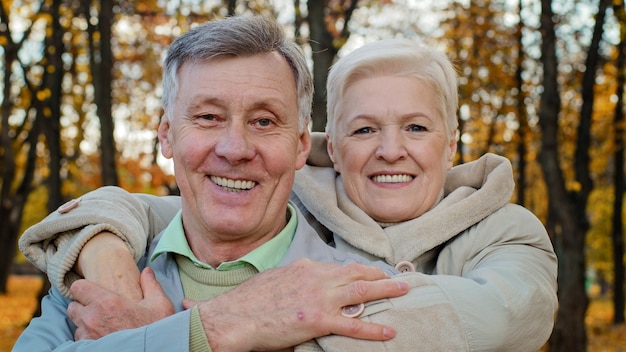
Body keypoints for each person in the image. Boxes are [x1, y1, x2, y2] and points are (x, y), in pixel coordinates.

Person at [18, 28, 559, 351]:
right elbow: (137, 207)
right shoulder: (103, 269)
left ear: (301, 145)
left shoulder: (343, 280)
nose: (234, 148)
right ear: (165, 134)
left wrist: (183, 336)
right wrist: (210, 327)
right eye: (207, 117)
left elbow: (503, 311)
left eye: (263, 121)